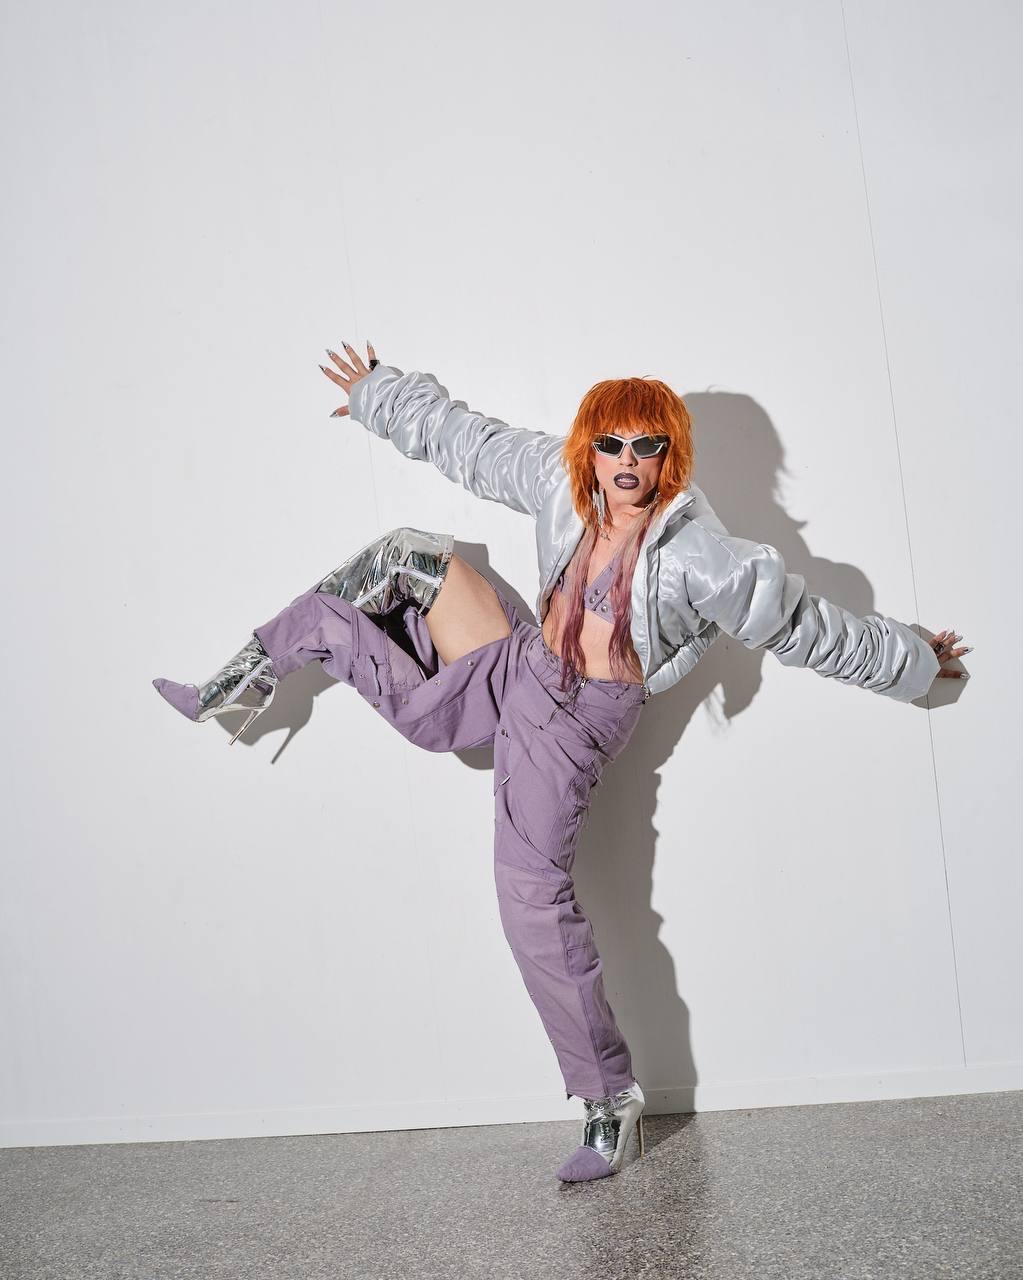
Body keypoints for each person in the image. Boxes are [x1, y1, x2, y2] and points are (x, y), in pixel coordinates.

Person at [153, 340, 971, 1182]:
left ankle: (607, 1099)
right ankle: (238, 679)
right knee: (405, 553)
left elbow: (810, 629)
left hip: (575, 722)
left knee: (529, 901)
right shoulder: (561, 482)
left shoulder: (703, 558)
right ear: (592, 446)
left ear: (669, 452)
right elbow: (472, 443)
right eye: (610, 443)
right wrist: (375, 396)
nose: (626, 461)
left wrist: (912, 658)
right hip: (521, 661)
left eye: (645, 445)